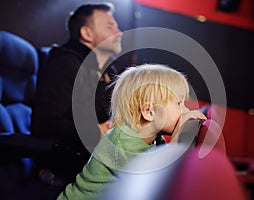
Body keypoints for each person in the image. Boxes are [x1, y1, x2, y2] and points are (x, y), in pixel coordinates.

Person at [57, 64, 207, 199]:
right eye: (179, 104)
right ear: (149, 112)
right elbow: (161, 181)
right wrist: (180, 133)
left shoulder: (154, 140)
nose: (185, 111)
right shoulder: (121, 143)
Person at [30, 3, 123, 184]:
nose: (119, 32)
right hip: (66, 172)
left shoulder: (106, 70)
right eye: (110, 27)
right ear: (86, 34)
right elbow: (43, 124)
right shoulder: (64, 64)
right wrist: (94, 132)